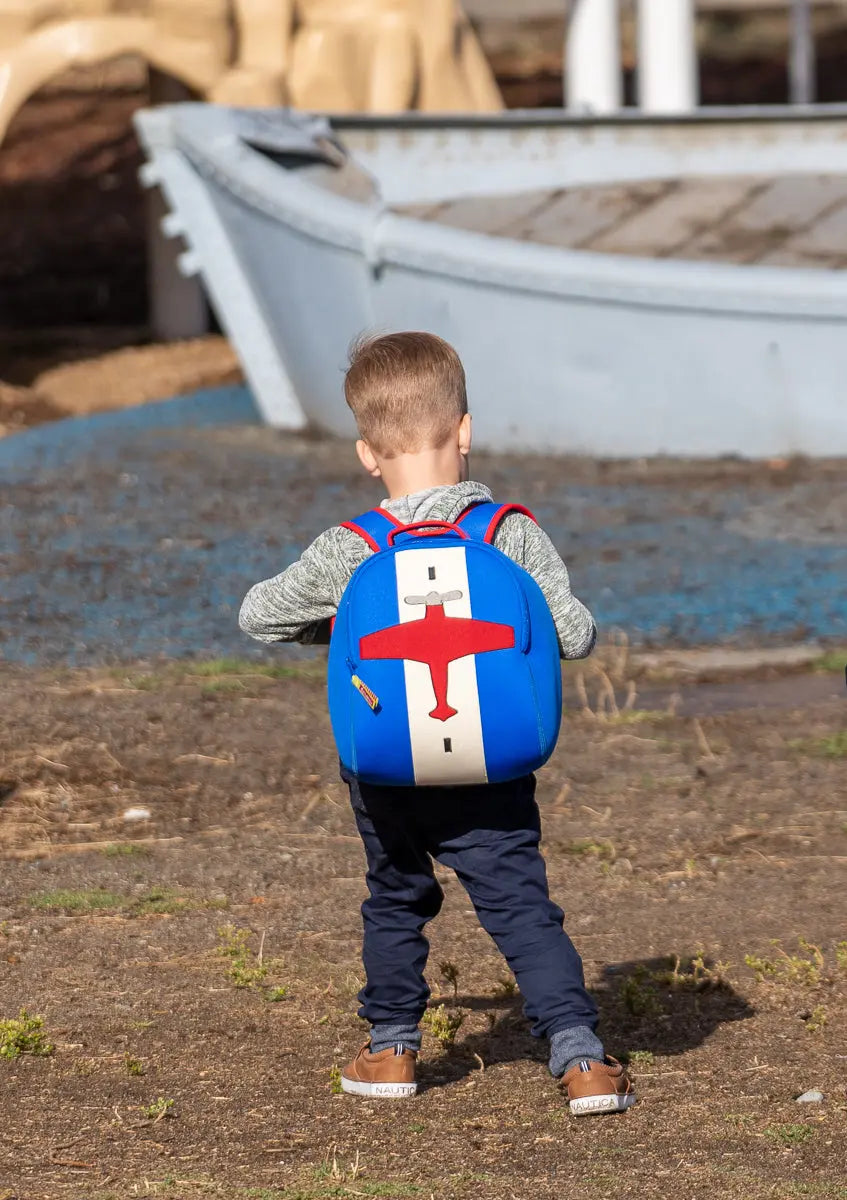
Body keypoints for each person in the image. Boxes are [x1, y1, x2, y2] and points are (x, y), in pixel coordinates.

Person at [239, 331, 635, 1116]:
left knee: (394, 898)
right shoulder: (510, 535)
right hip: (489, 763)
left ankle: (390, 1051)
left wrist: (343, 627)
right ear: (464, 431)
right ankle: (581, 1058)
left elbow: (258, 616)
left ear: (365, 452)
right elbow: (576, 635)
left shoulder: (348, 548)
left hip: (386, 765)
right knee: (520, 906)